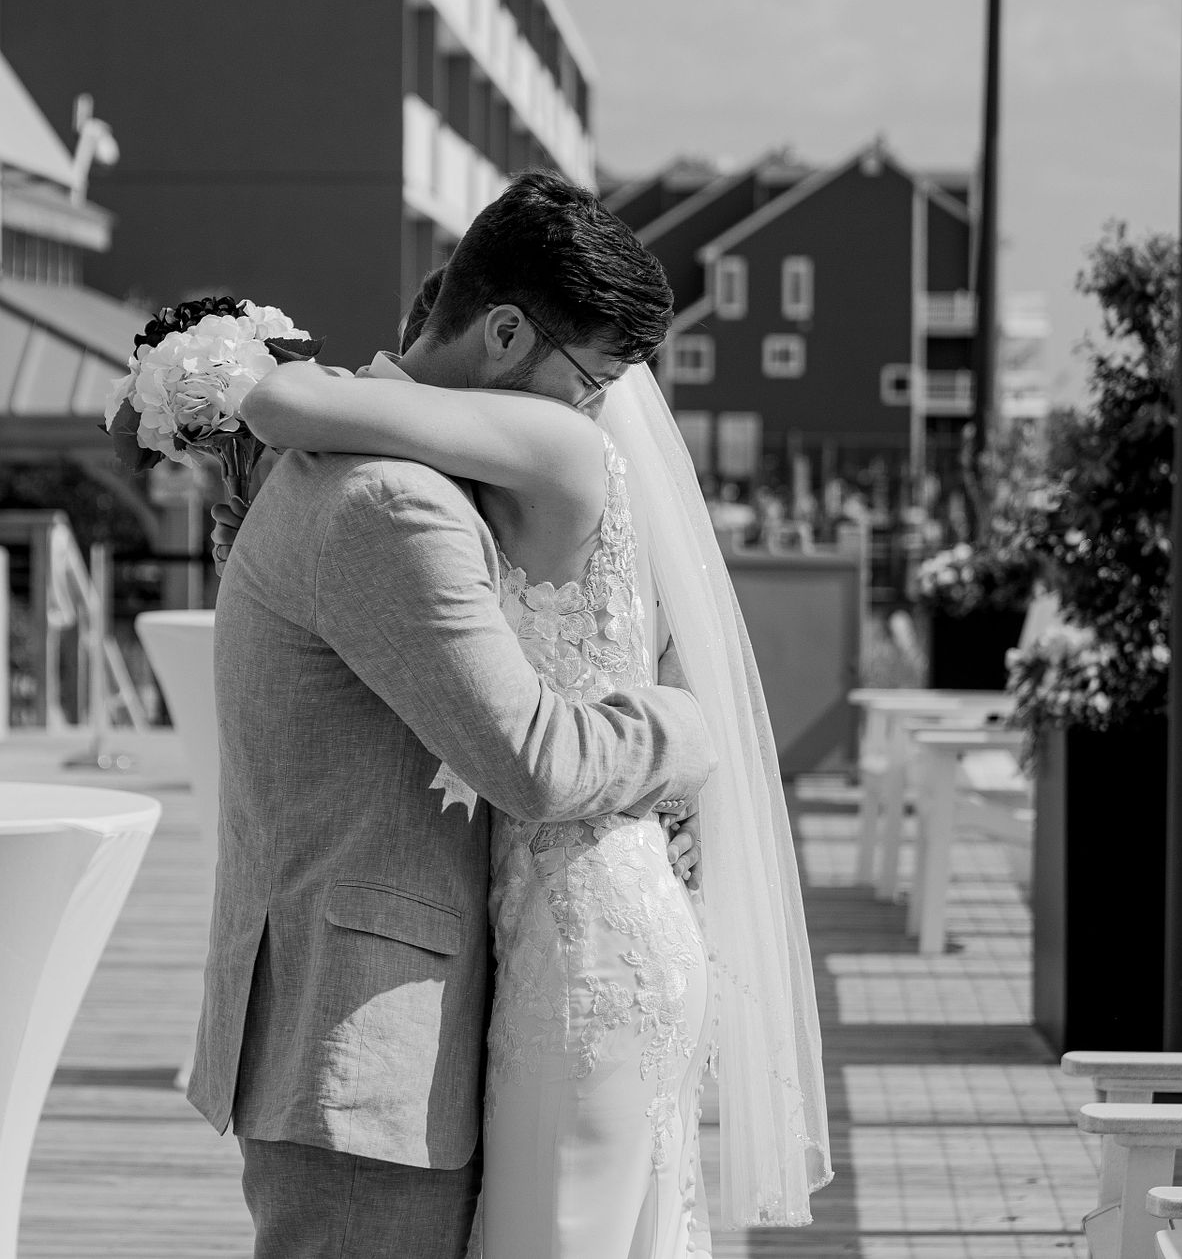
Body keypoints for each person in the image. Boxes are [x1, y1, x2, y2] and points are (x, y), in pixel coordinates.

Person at [219, 172, 833, 1253]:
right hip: (376, 1044)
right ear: (504, 330)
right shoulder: (393, 500)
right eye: (592, 378)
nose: (604, 412)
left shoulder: (444, 468)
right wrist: (693, 732)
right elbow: (539, 762)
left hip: (508, 980)